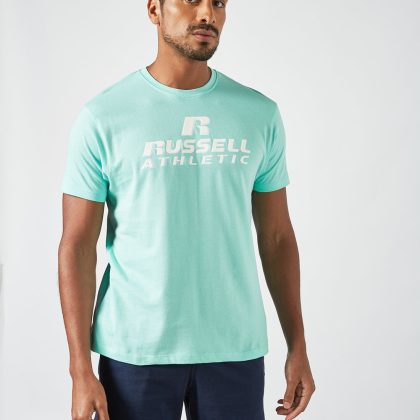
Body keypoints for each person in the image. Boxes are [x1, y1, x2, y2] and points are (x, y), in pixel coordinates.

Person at [58, 0, 316, 419]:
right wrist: (79, 369)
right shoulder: (103, 117)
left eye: (218, 3)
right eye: (192, 0)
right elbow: (77, 246)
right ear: (154, 10)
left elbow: (277, 237)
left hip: (235, 347)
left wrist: (298, 345)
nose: (207, 14)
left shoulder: (259, 113)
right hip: (135, 350)